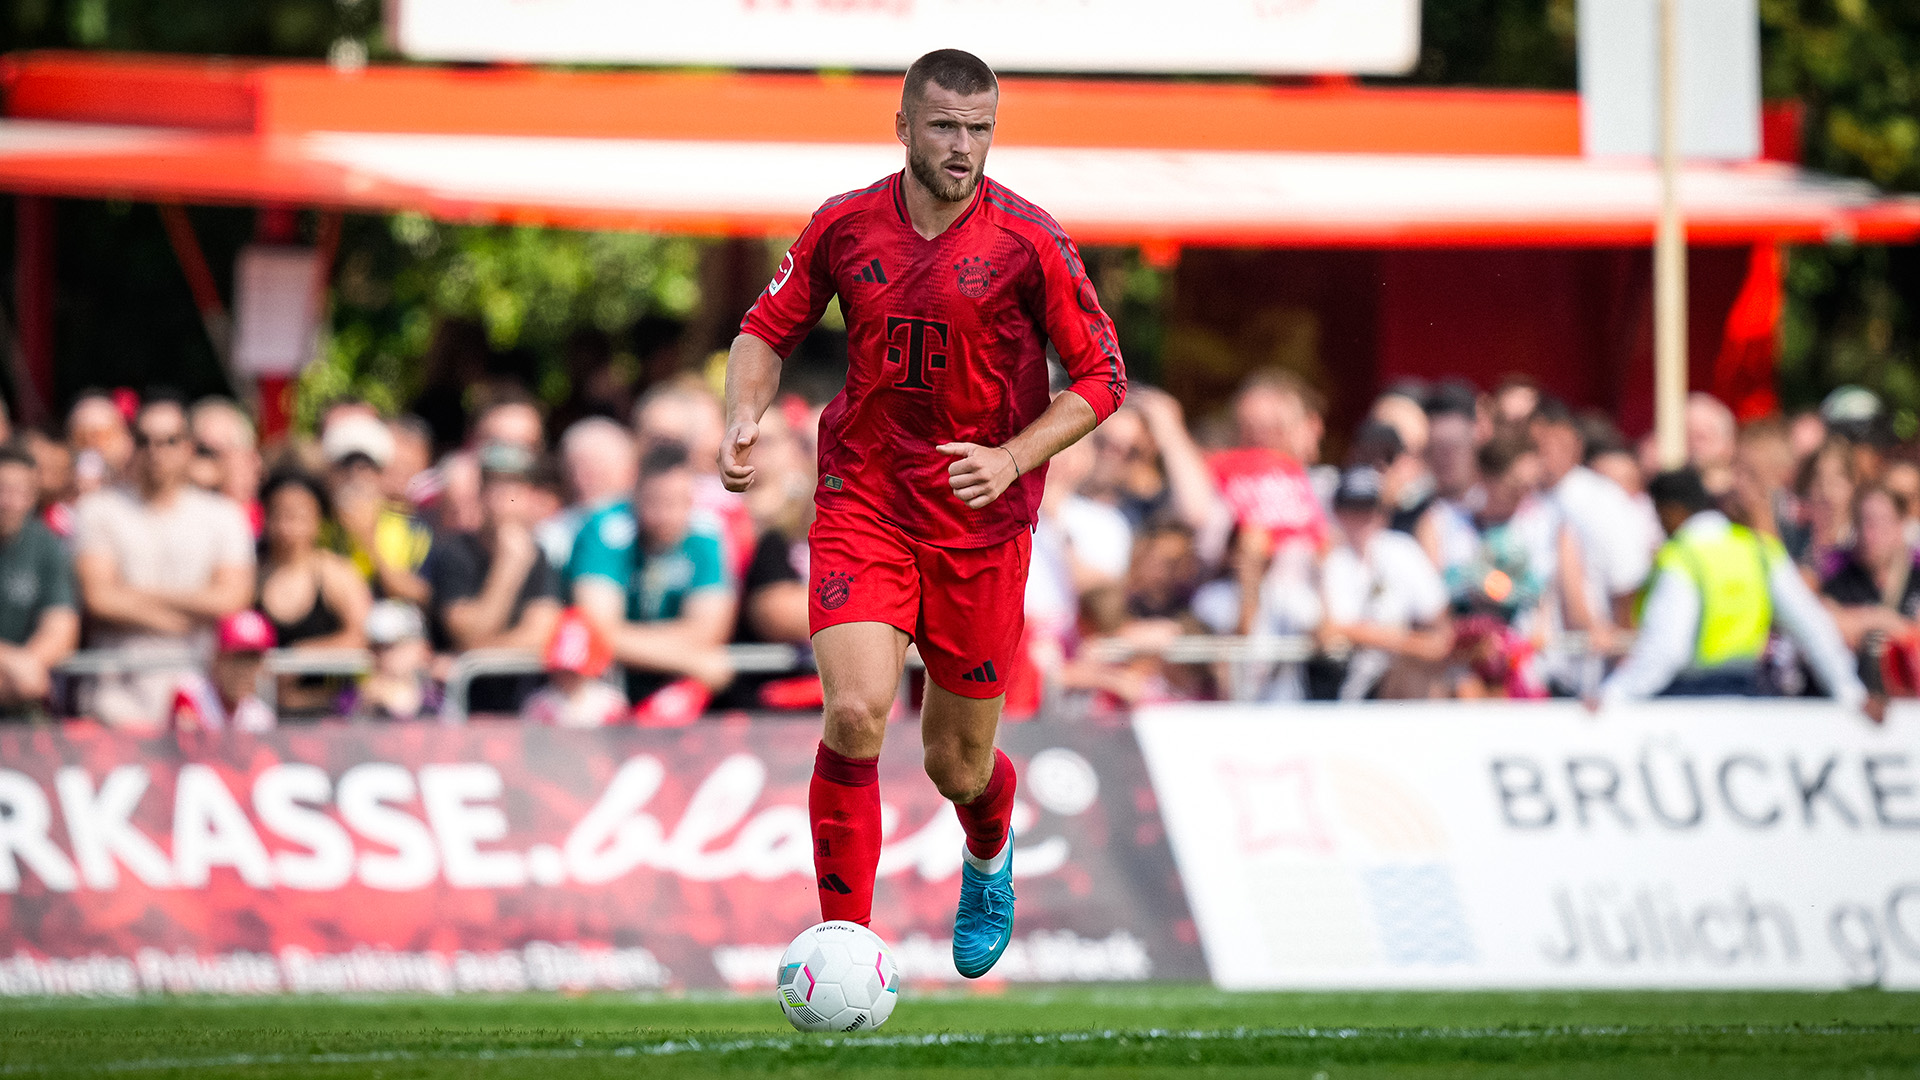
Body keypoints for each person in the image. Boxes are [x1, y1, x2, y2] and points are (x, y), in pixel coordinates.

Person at [720, 49, 1127, 978]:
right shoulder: (845, 224)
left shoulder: (1029, 240)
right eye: (945, 126)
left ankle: (988, 847)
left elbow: (1103, 377)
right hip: (864, 497)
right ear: (902, 127)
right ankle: (844, 945)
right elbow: (763, 329)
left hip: (980, 522)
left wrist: (1012, 455)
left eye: (980, 128)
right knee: (857, 712)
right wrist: (743, 411)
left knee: (957, 764)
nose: (964, 147)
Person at [1597, 469, 1873, 715]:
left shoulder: (1681, 557)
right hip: (1749, 695)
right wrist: (1853, 695)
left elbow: (1666, 650)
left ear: (1670, 510)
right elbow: (1813, 627)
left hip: (1688, 701)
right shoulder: (1760, 551)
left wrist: (1612, 697)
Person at [73, 395, 254, 729]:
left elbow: (231, 598)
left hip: (200, 693)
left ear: (187, 447)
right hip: (116, 694)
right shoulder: (97, 510)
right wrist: (188, 615)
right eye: (146, 441)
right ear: (132, 445)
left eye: (169, 441)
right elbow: (99, 599)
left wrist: (133, 595)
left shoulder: (224, 516)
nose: (157, 452)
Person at [569, 442, 736, 711]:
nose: (666, 515)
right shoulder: (604, 530)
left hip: (672, 685)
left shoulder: (707, 534)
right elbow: (595, 629)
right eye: (656, 502)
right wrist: (690, 661)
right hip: (605, 681)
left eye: (678, 502)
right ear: (635, 494)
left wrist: (626, 640)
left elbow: (708, 632)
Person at [426, 442, 565, 713]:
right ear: (480, 494)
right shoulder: (453, 553)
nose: (505, 498)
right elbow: (468, 630)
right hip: (461, 707)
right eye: (495, 487)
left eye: (515, 488)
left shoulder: (540, 556)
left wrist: (470, 655)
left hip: (522, 704)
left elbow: (542, 635)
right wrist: (508, 567)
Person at [1319, 466, 1452, 700]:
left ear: (1384, 512)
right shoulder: (1331, 560)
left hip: (1396, 680)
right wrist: (1407, 641)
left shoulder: (1401, 550)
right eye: (1353, 509)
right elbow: (1330, 629)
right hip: (1343, 684)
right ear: (1338, 513)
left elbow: (1441, 628)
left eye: (1371, 508)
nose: (1363, 518)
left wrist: (1376, 637)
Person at [1530, 397, 1653, 633]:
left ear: (1575, 444)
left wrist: (1618, 635)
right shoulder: (1526, 499)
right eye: (1537, 445)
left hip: (1591, 652)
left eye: (1555, 443)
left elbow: (1627, 579)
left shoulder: (1599, 499)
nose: (1546, 453)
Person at [255, 470, 373, 712]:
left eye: (298, 514)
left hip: (328, 715)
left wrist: (300, 656)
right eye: (279, 513)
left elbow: (363, 637)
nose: (288, 524)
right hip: (264, 714)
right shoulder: (252, 578)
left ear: (318, 520)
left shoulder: (338, 575)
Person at [322, 413, 433, 605]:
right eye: (345, 466)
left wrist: (368, 539)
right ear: (329, 473)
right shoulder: (315, 524)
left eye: (366, 466)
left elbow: (420, 594)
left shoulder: (410, 526)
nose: (356, 476)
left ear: (381, 474)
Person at [0, 444, 78, 711]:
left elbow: (61, 624)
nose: (8, 501)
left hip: (21, 701)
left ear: (34, 495)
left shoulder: (45, 544)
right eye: (2, 489)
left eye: (19, 491)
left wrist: (31, 664)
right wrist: (11, 661)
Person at [538, 417, 637, 571]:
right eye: (575, 468)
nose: (584, 479)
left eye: (598, 469)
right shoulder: (552, 534)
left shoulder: (654, 523)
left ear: (630, 470)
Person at [170, 610, 276, 733]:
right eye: (238, 659)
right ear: (217, 660)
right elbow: (189, 748)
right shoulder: (191, 694)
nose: (244, 670)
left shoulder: (260, 716)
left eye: (253, 660)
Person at [520, 608, 628, 727]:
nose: (567, 677)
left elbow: (619, 741)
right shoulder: (539, 706)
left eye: (575, 672)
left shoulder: (611, 705)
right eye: (562, 670)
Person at [341, 600, 442, 722]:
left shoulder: (440, 698)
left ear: (423, 649)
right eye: (377, 647)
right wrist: (366, 706)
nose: (385, 655)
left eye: (396, 645)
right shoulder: (352, 699)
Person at [189, 397, 264, 537]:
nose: (206, 464)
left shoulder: (271, 523)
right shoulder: (173, 513)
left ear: (250, 458)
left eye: (214, 453)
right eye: (201, 451)